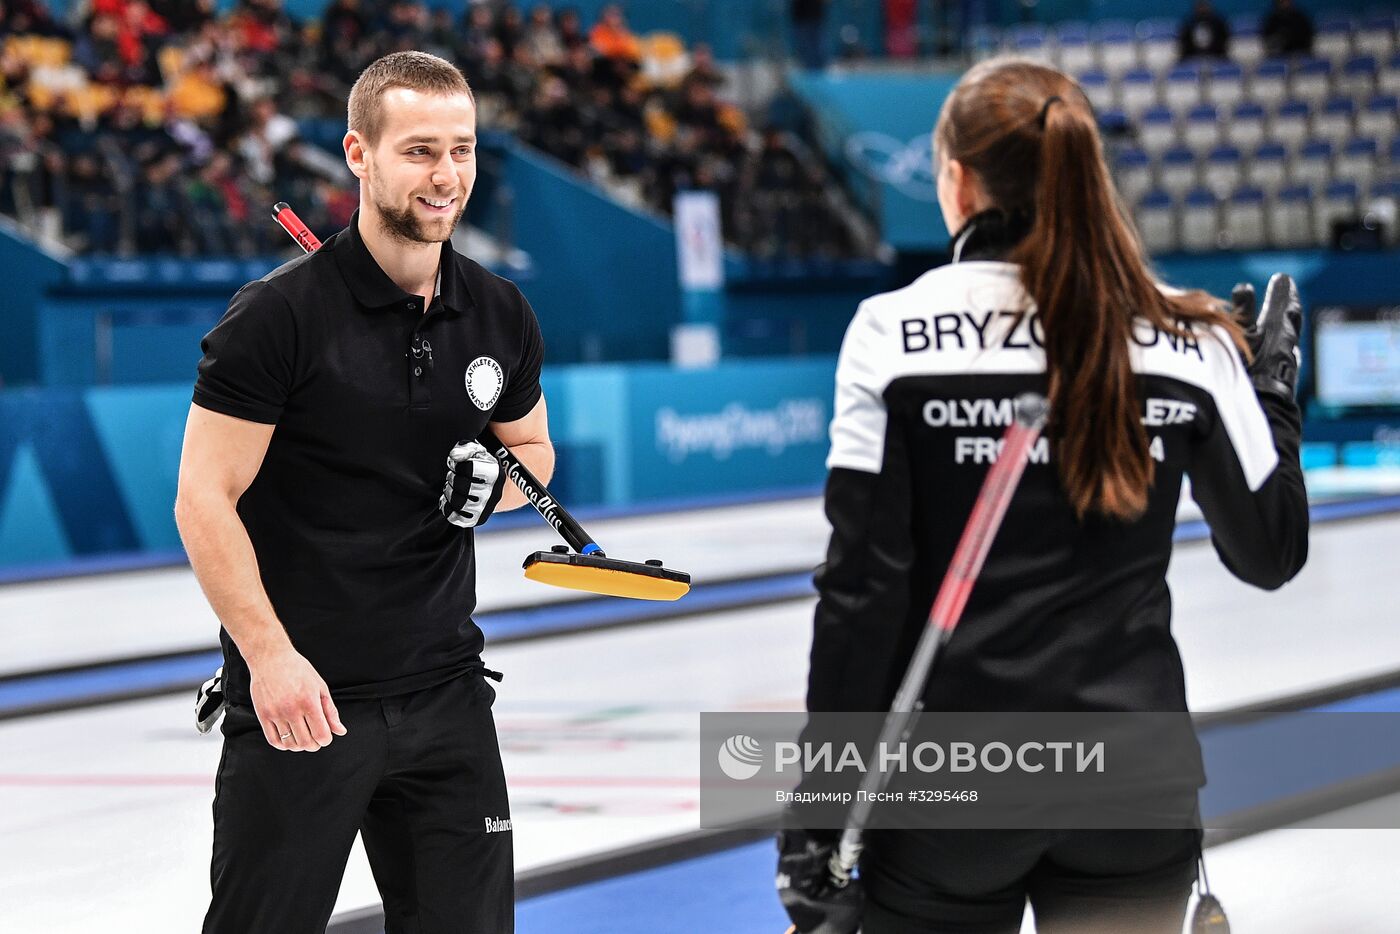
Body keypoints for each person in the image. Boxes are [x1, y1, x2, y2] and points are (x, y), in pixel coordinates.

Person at [778, 57, 1308, 933]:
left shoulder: (892, 335)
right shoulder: (1191, 336)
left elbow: (861, 601)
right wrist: (1275, 400)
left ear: (956, 182)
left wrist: (817, 817)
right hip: (1136, 787)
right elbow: (1271, 551)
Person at [175, 50, 551, 934]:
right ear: (358, 153)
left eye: (460, 150)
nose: (447, 174)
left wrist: (496, 484)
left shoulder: (500, 312)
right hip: (304, 702)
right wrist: (267, 658)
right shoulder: (275, 318)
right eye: (420, 151)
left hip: (449, 692)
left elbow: (531, 446)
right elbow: (204, 499)